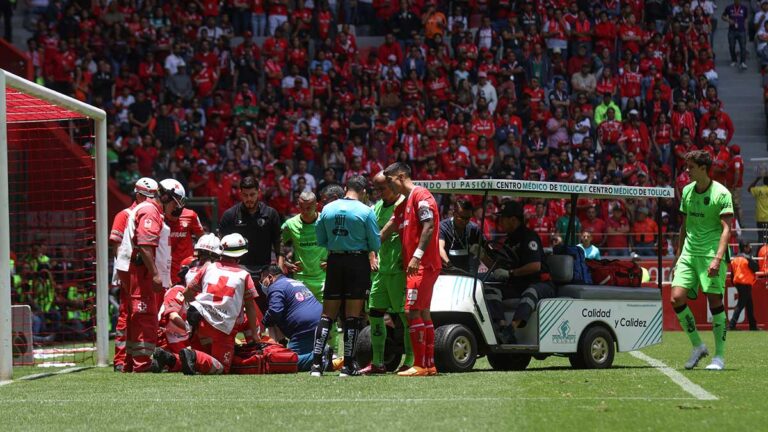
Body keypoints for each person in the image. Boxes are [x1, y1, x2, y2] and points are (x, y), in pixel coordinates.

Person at [310, 175, 381, 377]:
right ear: (364, 192)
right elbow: (375, 244)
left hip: (334, 262)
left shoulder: (327, 209)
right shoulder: (367, 211)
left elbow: (321, 239)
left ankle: (316, 365)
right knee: (352, 316)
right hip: (357, 263)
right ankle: (348, 366)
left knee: (327, 315)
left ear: (345, 187)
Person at [671, 150, 733, 371]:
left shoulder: (721, 193)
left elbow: (727, 229)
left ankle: (719, 357)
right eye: (687, 166)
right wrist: (678, 256)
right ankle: (698, 345)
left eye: (691, 167)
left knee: (715, 302)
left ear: (704, 169)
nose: (687, 171)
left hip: (710, 254)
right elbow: (683, 227)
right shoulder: (687, 191)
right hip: (689, 253)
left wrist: (717, 258)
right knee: (676, 298)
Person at [382, 162, 441, 377]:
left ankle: (419, 364)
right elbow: (389, 228)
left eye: (390, 180)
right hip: (418, 265)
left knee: (411, 311)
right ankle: (428, 365)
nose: (389, 186)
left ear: (401, 176)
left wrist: (416, 256)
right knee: (423, 312)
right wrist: (371, 245)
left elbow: (430, 226)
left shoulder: (421, 196)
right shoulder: (405, 202)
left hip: (423, 264)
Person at [174, 234, 262, 375]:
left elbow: (187, 293)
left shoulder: (208, 268)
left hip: (200, 321)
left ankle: (172, 359)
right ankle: (193, 355)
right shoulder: (244, 275)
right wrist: (256, 336)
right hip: (223, 328)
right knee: (221, 368)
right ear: (240, 255)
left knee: (203, 361)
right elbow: (250, 308)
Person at [114, 179, 172, 373]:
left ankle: (129, 362)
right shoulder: (149, 210)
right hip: (142, 272)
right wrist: (155, 275)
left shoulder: (145, 210)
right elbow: (145, 244)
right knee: (143, 317)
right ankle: (141, 364)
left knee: (136, 317)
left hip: (139, 271)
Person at [359, 172, 414, 375]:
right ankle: (378, 362)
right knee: (374, 314)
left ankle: (410, 360)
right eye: (377, 189)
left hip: (400, 271)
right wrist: (372, 256)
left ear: (393, 184)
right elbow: (370, 237)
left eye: (383, 188)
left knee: (405, 316)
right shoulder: (377, 208)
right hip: (381, 272)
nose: (380, 193)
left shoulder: (406, 205)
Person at [481, 201, 555, 345]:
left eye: (502, 218)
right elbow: (498, 267)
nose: (499, 221)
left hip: (541, 284)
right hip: (519, 284)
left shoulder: (529, 237)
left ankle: (512, 329)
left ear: (513, 220)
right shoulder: (508, 240)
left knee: (530, 292)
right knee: (490, 289)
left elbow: (535, 266)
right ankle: (501, 327)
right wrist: (482, 256)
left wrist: (510, 273)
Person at [152, 234, 223, 373]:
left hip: (186, 334)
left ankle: (170, 359)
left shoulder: (194, 277)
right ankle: (171, 359)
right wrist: (188, 328)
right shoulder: (178, 290)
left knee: (194, 355)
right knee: (206, 358)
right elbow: (172, 315)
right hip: (175, 336)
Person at [259, 266, 323, 372]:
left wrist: (263, 323)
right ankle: (320, 354)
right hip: (320, 323)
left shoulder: (275, 287)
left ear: (270, 277)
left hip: (304, 328)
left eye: (262, 281)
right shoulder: (294, 282)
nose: (262, 285)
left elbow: (275, 311)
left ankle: (320, 358)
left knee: (286, 362)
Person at [219, 176, 283, 276]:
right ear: (240, 194)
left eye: (252, 194)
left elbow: (278, 242)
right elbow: (221, 247)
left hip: (265, 270)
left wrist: (279, 269)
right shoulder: (229, 215)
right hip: (237, 270)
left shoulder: (271, 214)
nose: (249, 199)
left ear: (259, 192)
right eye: (245, 195)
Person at [159, 179, 205, 285]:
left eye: (179, 201)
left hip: (187, 273)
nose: (177, 204)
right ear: (165, 198)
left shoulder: (191, 215)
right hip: (164, 273)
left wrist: (196, 259)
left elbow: (203, 240)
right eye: (175, 201)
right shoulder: (156, 218)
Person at [439, 199, 482, 273]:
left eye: (468, 218)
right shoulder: (443, 227)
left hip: (468, 274)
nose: (465, 221)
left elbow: (484, 251)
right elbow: (440, 248)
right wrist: (450, 266)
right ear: (454, 214)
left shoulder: (474, 229)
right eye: (462, 218)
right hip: (447, 272)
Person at [729, 242, 758, 331]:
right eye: (749, 247)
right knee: (740, 305)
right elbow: (756, 268)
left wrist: (734, 283)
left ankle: (753, 326)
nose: (750, 248)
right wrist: (752, 258)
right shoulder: (747, 258)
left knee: (749, 305)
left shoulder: (734, 259)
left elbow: (732, 274)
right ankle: (731, 325)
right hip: (745, 284)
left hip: (738, 283)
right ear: (745, 248)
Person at [748, 176, 768, 244]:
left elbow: (749, 189)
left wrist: (757, 179)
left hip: (760, 218)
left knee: (761, 237)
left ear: (763, 181)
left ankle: (760, 252)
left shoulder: (759, 189)